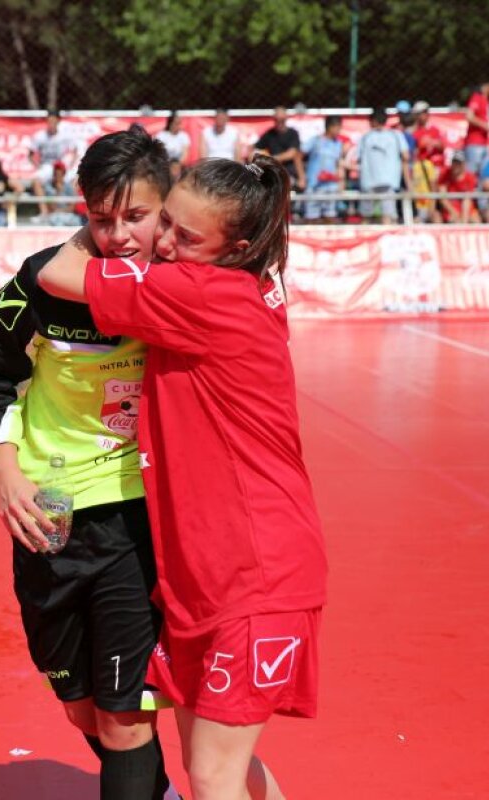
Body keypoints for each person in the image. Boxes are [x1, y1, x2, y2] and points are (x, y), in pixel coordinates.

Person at [37, 155, 327, 800]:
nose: (163, 243)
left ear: (237, 248)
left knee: (213, 773)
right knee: (222, 762)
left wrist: (99, 225)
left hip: (255, 573)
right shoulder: (244, 281)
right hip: (206, 577)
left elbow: (55, 273)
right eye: (164, 222)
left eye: (185, 237)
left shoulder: (200, 291)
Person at [0, 125, 181, 800]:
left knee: (125, 718)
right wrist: (6, 472)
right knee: (80, 707)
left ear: (167, 208)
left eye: (137, 217)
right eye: (101, 218)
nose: (120, 235)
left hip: (132, 517)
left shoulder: (185, 287)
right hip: (48, 516)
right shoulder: (38, 285)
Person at [357, 108, 412, 225]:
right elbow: (406, 156)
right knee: (388, 216)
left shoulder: (366, 137)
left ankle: (365, 241)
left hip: (369, 181)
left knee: (367, 217)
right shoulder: (396, 135)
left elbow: (357, 158)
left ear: (373, 121)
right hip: (389, 181)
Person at [303, 115, 345, 223]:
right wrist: (302, 176)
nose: (339, 130)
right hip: (314, 184)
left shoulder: (338, 144)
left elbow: (338, 163)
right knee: (311, 218)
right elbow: (299, 154)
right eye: (338, 127)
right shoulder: (315, 141)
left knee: (330, 217)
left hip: (331, 186)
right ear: (330, 127)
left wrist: (341, 180)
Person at [254, 106, 306, 191]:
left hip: (289, 172)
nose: (279, 123)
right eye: (277, 120)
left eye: (282, 120)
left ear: (286, 119)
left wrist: (272, 159)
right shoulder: (269, 134)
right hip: (273, 171)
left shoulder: (293, 134)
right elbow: (256, 149)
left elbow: (292, 153)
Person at [30, 110, 77, 201]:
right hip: (46, 166)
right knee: (36, 182)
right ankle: (45, 211)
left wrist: (71, 165)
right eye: (49, 121)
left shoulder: (65, 136)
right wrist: (38, 166)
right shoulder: (40, 136)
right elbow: (30, 154)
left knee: (76, 180)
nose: (51, 124)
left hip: (61, 166)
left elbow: (75, 150)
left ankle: (70, 209)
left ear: (58, 122)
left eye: (53, 122)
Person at [463, 79, 489, 174]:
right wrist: (484, 125)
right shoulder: (477, 97)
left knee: (484, 174)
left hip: (484, 142)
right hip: (474, 142)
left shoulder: (487, 100)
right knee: (471, 172)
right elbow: (469, 116)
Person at [433, 152, 480, 224]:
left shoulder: (470, 177)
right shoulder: (445, 174)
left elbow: (467, 200)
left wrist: (463, 218)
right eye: (454, 162)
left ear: (463, 164)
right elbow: (443, 198)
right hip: (450, 210)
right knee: (440, 218)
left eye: (459, 163)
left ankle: (464, 226)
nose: (456, 166)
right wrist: (453, 212)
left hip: (466, 211)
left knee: (476, 221)